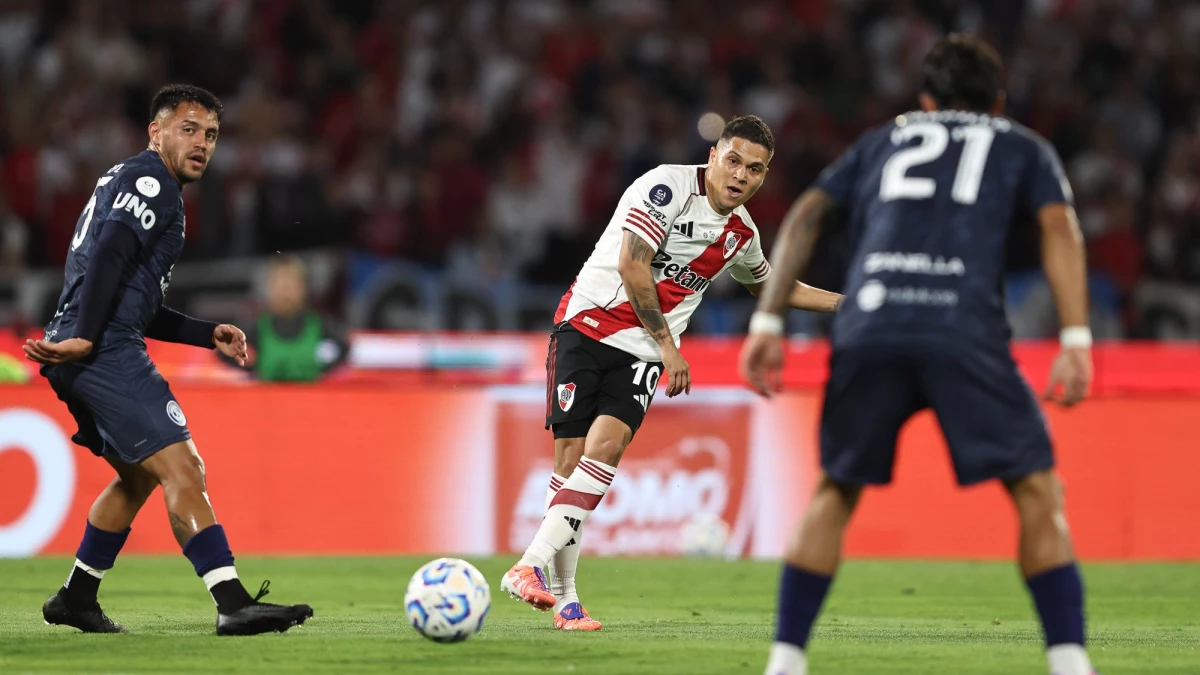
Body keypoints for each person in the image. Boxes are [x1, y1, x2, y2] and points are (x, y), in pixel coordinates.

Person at [739, 35, 1096, 675]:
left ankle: (785, 662)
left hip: (870, 321)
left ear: (928, 100)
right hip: (963, 328)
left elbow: (806, 215)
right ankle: (1070, 664)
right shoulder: (1020, 145)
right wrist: (1075, 339)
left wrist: (767, 317)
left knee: (835, 490)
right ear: (999, 102)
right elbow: (1057, 227)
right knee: (1037, 491)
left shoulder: (883, 141)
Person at [501, 115, 844, 630]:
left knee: (607, 449)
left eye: (755, 169)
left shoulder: (740, 233)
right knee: (570, 462)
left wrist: (849, 303)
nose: (740, 176)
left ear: (763, 177)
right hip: (587, 325)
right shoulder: (666, 187)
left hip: (640, 351)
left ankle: (527, 567)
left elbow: (770, 287)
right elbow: (633, 265)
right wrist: (670, 348)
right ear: (713, 157)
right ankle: (565, 597)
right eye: (733, 161)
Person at [24, 84, 313, 636]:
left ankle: (76, 597)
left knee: (138, 479)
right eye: (189, 129)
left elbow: (135, 301)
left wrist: (208, 334)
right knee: (186, 469)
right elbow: (108, 254)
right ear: (155, 131)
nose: (202, 143)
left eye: (210, 135)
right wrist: (86, 338)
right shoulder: (152, 181)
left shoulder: (129, 180)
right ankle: (232, 602)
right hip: (102, 349)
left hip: (90, 343)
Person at [220, 255, 350, 382]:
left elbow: (345, 348)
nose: (285, 290)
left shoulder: (319, 325)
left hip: (309, 401)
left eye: (291, 283)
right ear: (269, 288)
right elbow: (224, 349)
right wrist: (253, 371)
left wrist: (323, 371)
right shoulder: (257, 327)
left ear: (304, 287)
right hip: (268, 401)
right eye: (280, 283)